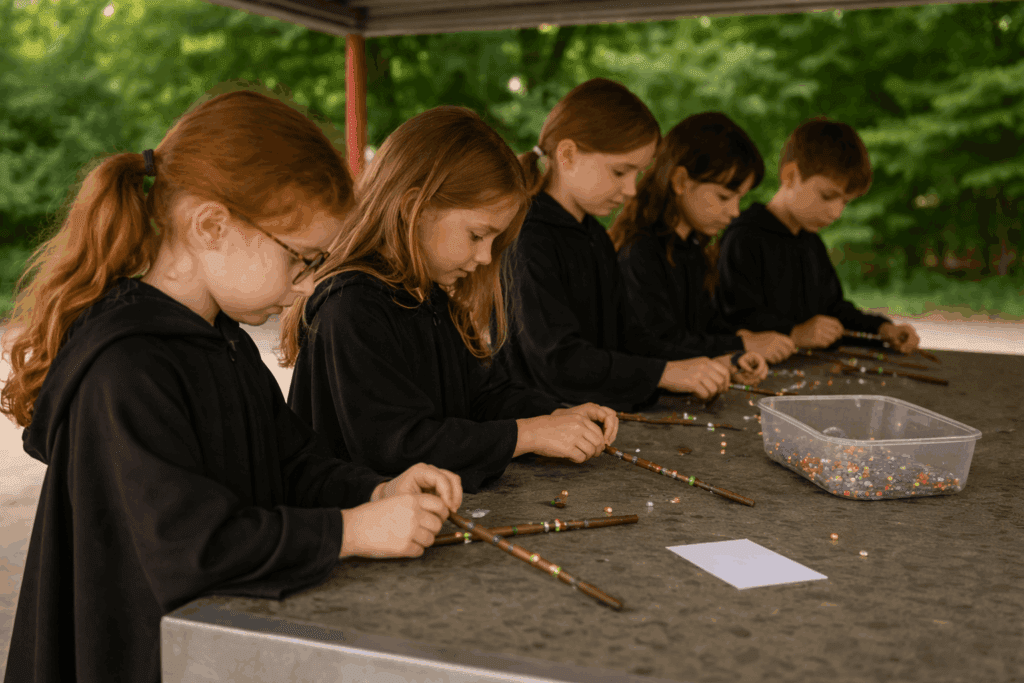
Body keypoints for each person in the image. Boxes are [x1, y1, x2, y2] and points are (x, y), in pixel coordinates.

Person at [0, 86, 462, 683]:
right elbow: (194, 547)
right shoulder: (125, 370)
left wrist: (375, 492)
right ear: (212, 226)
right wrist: (349, 532)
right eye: (300, 258)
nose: (304, 286)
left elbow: (291, 464)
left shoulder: (222, 339)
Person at [280, 106, 618, 494]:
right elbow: (396, 445)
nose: (486, 258)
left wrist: (555, 415)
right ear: (413, 209)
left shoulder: (431, 294)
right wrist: (526, 435)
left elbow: (484, 396)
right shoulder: (352, 307)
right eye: (477, 235)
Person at [496, 79, 767, 413]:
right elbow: (558, 360)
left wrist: (714, 361)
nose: (631, 190)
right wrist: (666, 372)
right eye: (620, 172)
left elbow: (631, 338)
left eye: (636, 175)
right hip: (541, 427)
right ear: (567, 154)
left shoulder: (593, 234)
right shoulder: (527, 238)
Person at [716, 117, 920, 353]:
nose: (835, 212)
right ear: (791, 176)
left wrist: (883, 330)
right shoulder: (743, 238)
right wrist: (795, 333)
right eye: (827, 196)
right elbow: (732, 320)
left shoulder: (811, 242)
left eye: (845, 202)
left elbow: (833, 310)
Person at [610, 112, 796, 365]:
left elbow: (704, 326)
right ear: (681, 181)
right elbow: (655, 343)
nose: (735, 211)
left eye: (739, 199)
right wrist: (741, 344)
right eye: (723, 197)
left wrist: (740, 344)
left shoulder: (692, 246)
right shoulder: (640, 250)